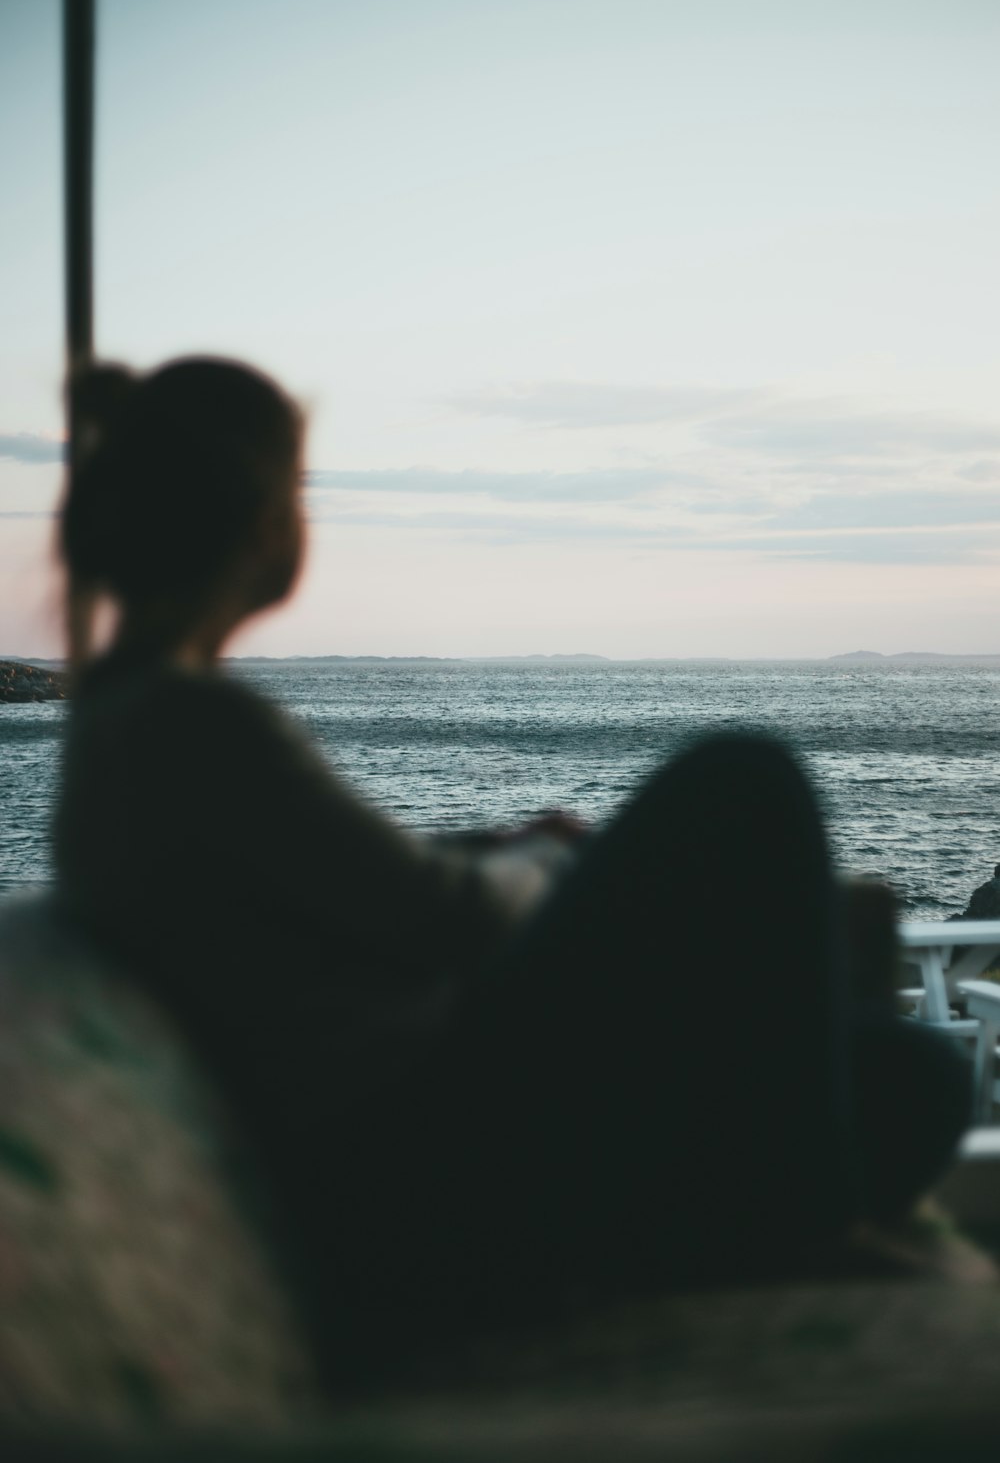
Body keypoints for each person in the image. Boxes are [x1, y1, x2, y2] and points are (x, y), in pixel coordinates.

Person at [54, 357, 972, 1392]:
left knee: (913, 1076)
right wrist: (549, 860)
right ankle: (765, 1242)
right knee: (742, 781)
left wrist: (497, 852)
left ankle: (743, 1218)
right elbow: (444, 923)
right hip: (423, 1160)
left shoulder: (126, 729)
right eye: (297, 495)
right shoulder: (194, 725)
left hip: (407, 1131)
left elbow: (342, 893)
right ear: (266, 523)